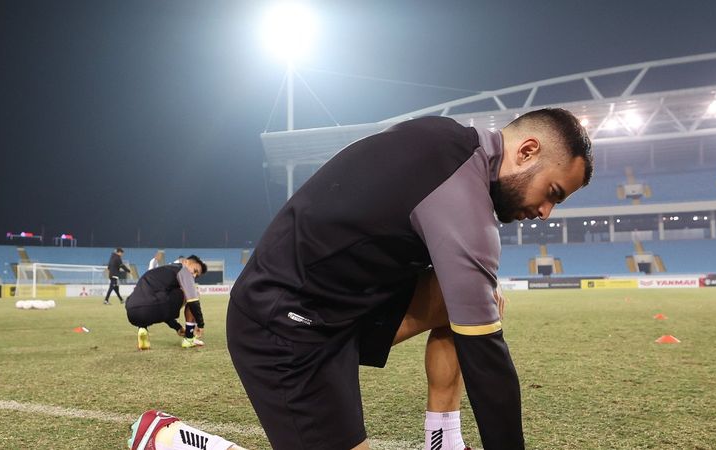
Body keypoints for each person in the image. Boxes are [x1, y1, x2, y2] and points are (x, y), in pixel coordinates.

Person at [225, 108, 593, 450]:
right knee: (476, 311)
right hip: (282, 324)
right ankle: (174, 440)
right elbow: (487, 362)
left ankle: (443, 440)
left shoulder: (446, 136)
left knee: (479, 298)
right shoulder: (463, 200)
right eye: (552, 193)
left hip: (343, 304)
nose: (546, 213)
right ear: (527, 151)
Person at [125, 255, 209, 350]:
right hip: (152, 306)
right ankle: (189, 338)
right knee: (193, 293)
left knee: (150, 300)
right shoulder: (183, 270)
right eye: (195, 271)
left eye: (196, 276)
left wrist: (177, 327)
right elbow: (193, 301)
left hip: (132, 312)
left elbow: (156, 303)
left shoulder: (161, 271)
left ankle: (142, 329)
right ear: (186, 262)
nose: (193, 276)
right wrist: (200, 324)